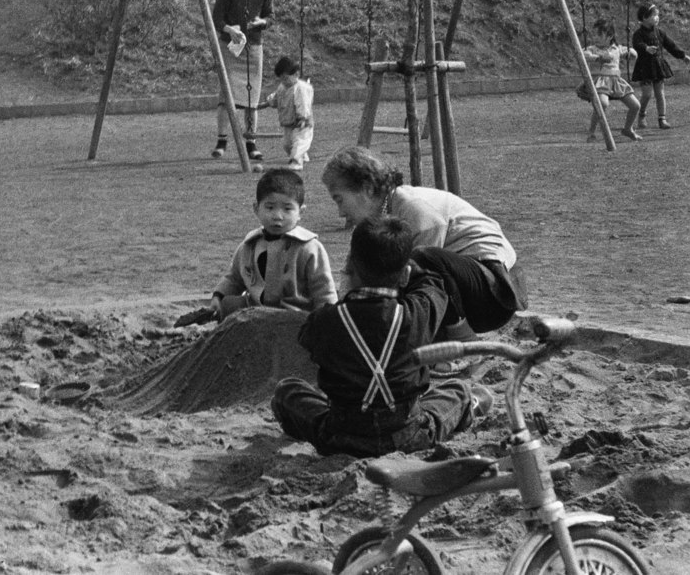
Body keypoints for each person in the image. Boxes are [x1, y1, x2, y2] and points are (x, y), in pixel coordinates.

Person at [270, 217, 489, 458]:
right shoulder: (417, 313)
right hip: (408, 435)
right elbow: (435, 285)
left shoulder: (325, 321)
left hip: (339, 437)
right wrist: (408, 271)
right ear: (404, 275)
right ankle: (472, 406)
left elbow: (307, 338)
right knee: (458, 390)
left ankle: (296, 427)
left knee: (286, 392)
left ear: (350, 267)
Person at [320, 145, 524, 339]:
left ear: (366, 189)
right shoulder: (375, 222)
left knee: (420, 262)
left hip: (496, 293)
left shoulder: (413, 207)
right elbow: (352, 271)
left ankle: (464, 341)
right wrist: (342, 314)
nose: (340, 212)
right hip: (465, 292)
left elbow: (418, 282)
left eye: (339, 199)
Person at [208, 168, 337, 321]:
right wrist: (218, 296)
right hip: (256, 311)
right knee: (228, 303)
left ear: (301, 212)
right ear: (256, 209)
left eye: (287, 209)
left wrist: (326, 320)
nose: (277, 216)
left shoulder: (309, 248)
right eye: (270, 207)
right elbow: (234, 278)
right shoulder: (249, 245)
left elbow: (323, 290)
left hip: (294, 316)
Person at [210, 0, 273, 161]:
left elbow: (270, 17)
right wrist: (230, 30)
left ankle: (251, 142)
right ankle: (222, 139)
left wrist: (261, 22)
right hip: (230, 48)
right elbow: (217, 19)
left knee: (251, 96)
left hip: (254, 47)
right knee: (226, 95)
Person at [630, 2, 690, 129]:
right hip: (644, 68)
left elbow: (671, 46)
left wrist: (683, 56)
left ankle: (662, 119)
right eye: (654, 15)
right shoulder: (638, 34)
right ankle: (641, 114)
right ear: (645, 17)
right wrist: (646, 48)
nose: (657, 17)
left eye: (657, 15)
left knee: (660, 93)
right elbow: (637, 44)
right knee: (647, 94)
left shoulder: (660, 32)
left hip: (657, 66)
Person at [583, 18, 644, 141]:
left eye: (600, 35)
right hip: (603, 82)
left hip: (617, 82)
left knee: (636, 105)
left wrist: (631, 54)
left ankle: (628, 129)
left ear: (610, 36)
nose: (596, 37)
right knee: (602, 103)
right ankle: (591, 132)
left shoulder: (616, 48)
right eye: (595, 34)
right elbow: (583, 54)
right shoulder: (594, 48)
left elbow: (632, 52)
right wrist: (598, 58)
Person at [260, 55, 315, 170]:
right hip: (288, 122)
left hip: (302, 123)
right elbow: (276, 98)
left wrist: (303, 118)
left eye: (285, 78)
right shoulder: (282, 87)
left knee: (299, 141)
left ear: (296, 74)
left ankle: (296, 162)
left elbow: (303, 104)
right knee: (287, 145)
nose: (283, 81)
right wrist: (266, 104)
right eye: (281, 79)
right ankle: (302, 155)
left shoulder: (300, 88)